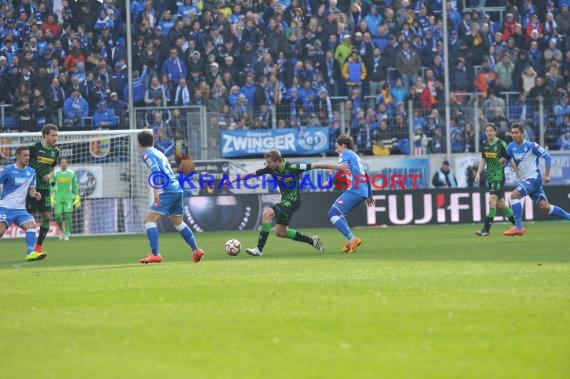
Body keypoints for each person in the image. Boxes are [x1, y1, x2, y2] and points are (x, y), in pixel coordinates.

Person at [232, 149, 347, 256]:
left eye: (269, 162)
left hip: (293, 201)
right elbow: (251, 174)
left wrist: (338, 167)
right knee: (280, 232)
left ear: (277, 161)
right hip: (285, 201)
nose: (268, 164)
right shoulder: (271, 169)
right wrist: (233, 180)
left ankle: (258, 249)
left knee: (266, 214)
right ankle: (312, 240)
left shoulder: (293, 167)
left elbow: (316, 165)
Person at [138, 130, 204, 263]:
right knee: (178, 223)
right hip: (176, 189)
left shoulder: (147, 154)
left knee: (149, 221)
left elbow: (156, 172)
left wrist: (156, 193)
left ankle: (155, 254)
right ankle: (196, 250)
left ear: (139, 144)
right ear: (153, 142)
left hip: (166, 190)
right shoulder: (159, 152)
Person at [503, 123, 570, 236]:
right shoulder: (510, 146)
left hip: (534, 178)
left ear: (522, 133)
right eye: (512, 133)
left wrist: (547, 175)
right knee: (544, 207)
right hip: (527, 181)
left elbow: (547, 157)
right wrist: (501, 166)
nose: (514, 135)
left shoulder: (531, 146)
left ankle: (518, 227)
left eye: (516, 133)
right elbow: (505, 161)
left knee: (514, 195)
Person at [327, 134, 375, 253]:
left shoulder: (345, 153)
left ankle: (352, 239)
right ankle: (350, 241)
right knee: (339, 214)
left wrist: (329, 178)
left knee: (332, 214)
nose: (336, 150)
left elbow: (340, 168)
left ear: (343, 146)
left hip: (355, 189)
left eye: (337, 147)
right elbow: (366, 176)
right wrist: (369, 195)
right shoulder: (355, 156)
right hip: (361, 191)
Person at [0, 146, 48, 262]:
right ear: (17, 156)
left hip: (21, 210)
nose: (27, 158)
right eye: (25, 155)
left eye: (28, 155)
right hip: (5, 208)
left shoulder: (31, 172)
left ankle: (30, 253)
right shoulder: (8, 170)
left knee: (31, 225)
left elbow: (31, 190)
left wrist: (35, 194)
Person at [474, 123, 519, 236]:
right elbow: (483, 160)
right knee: (501, 205)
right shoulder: (484, 144)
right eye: (487, 131)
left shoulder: (501, 144)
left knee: (491, 201)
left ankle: (486, 229)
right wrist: (478, 173)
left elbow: (509, 158)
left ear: (495, 132)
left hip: (498, 177)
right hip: (490, 177)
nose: (488, 132)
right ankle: (518, 225)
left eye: (490, 130)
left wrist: (516, 171)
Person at [27, 124, 60, 254]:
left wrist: (50, 176)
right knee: (29, 217)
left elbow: (52, 167)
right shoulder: (34, 148)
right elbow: (23, 163)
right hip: (31, 187)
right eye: (53, 135)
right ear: (45, 135)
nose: (55, 138)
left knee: (47, 217)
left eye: (56, 135)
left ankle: (38, 246)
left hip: (45, 188)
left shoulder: (56, 152)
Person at [50, 158, 81, 241]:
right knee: (57, 215)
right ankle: (61, 230)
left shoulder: (71, 173)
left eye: (65, 162)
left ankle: (67, 233)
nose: (64, 163)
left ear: (67, 164)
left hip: (68, 197)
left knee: (68, 215)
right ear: (60, 164)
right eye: (62, 162)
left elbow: (75, 185)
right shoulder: (56, 173)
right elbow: (52, 184)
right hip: (58, 197)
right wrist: (51, 196)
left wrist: (77, 196)